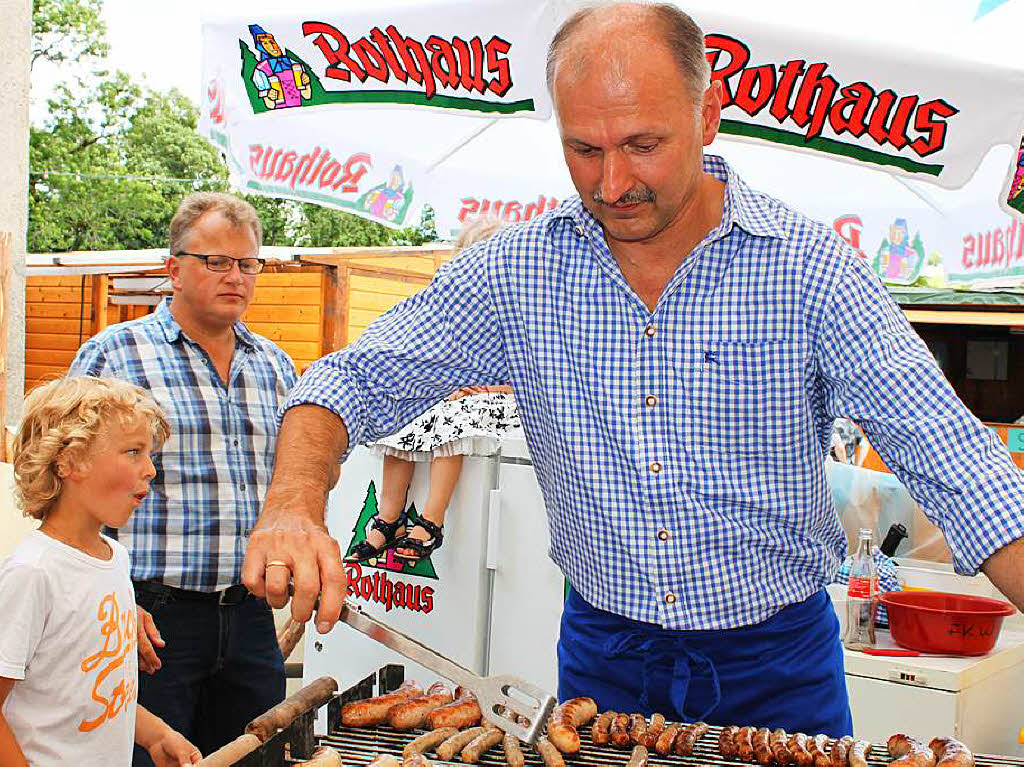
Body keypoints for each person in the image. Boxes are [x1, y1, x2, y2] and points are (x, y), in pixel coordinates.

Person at [241, 2, 1024, 734]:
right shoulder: (517, 273)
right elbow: (349, 378)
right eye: (584, 150)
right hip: (603, 662)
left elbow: (959, 462)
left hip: (778, 665)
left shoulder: (813, 270)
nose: (612, 184)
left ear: (708, 115)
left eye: (643, 145)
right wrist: (293, 500)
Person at [69, 192, 298, 763]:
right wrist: (112, 599)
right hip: (150, 616)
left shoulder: (274, 365)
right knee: (151, 758)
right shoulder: (115, 356)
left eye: (248, 264)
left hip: (248, 615)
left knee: (253, 756)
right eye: (217, 262)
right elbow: (62, 486)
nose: (236, 277)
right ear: (173, 268)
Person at [1, 376, 200, 767]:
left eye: (150, 455)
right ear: (70, 460)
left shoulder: (115, 558)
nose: (150, 470)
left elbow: (94, 689)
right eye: (133, 452)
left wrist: (156, 735)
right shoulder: (33, 572)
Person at [349, 218, 519, 566]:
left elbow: (539, 375)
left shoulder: (523, 314)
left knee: (452, 416)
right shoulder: (454, 314)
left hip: (504, 404)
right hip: (464, 398)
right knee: (406, 412)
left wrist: (484, 387)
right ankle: (390, 517)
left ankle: (432, 519)